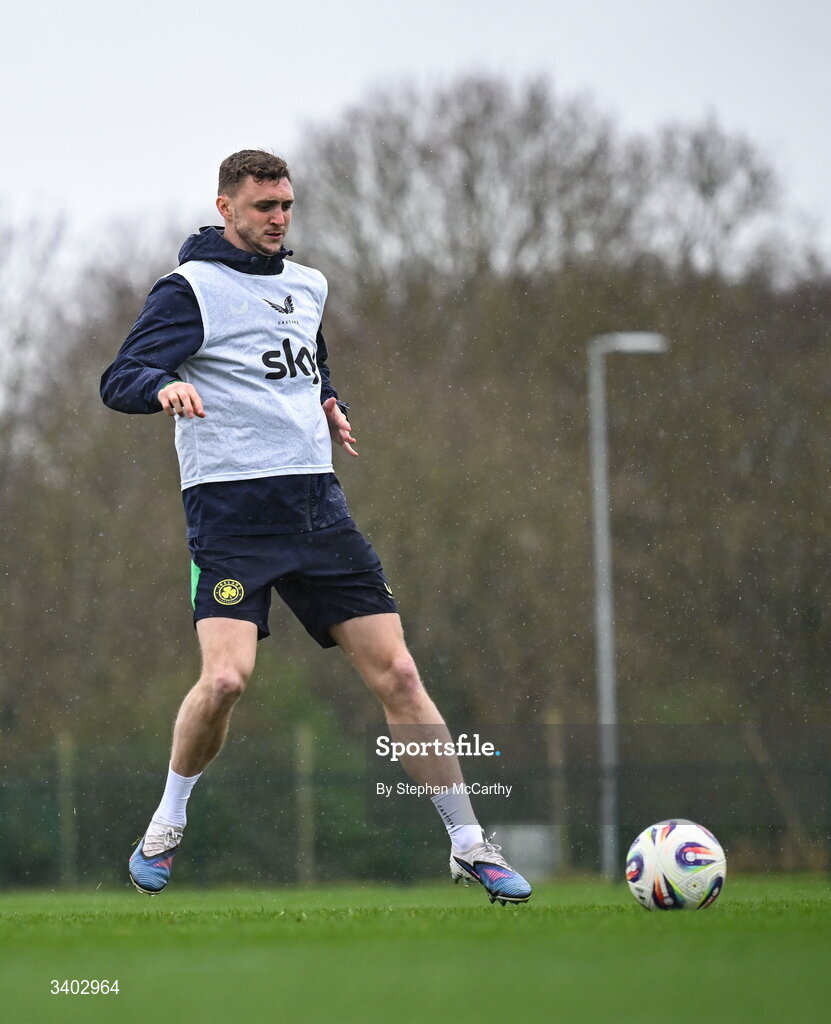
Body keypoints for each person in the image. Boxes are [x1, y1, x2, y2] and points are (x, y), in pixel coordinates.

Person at [100, 149, 531, 906]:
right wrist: (164, 383)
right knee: (227, 679)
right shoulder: (189, 290)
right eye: (263, 207)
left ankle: (468, 843)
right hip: (230, 518)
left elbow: (307, 362)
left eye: (286, 206)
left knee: (399, 674)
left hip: (317, 512)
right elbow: (119, 377)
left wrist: (326, 400)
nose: (278, 219)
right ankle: (167, 823)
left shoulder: (308, 285)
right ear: (225, 206)